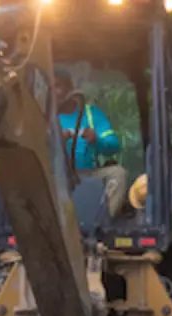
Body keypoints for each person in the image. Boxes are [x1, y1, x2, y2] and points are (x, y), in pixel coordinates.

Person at [54, 69, 128, 217]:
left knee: (118, 174)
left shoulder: (92, 114)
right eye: (50, 88)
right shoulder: (43, 116)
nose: (54, 92)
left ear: (70, 89)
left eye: (58, 86)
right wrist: (55, 141)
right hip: (54, 176)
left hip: (88, 173)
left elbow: (113, 145)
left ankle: (102, 220)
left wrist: (97, 140)